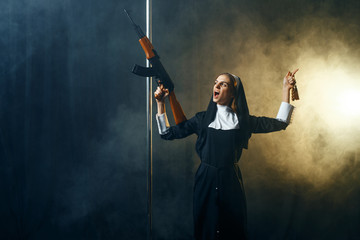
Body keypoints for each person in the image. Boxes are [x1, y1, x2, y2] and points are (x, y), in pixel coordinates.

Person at [154, 70, 298, 240]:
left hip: (231, 181)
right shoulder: (201, 119)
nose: (217, 86)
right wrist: (161, 103)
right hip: (205, 181)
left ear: (233, 93)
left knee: (233, 227)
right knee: (206, 226)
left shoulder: (243, 122)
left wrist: (285, 89)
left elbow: (280, 123)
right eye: (216, 82)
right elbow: (166, 133)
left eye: (223, 84)